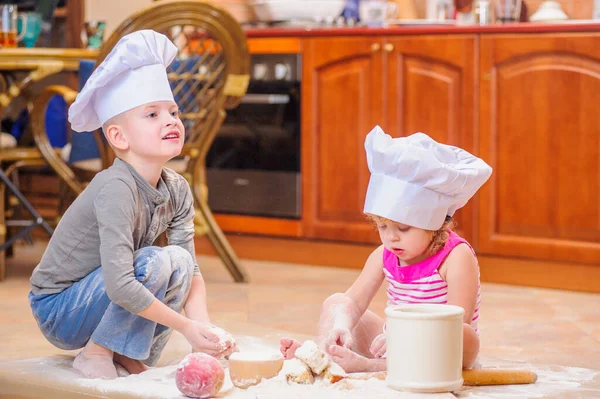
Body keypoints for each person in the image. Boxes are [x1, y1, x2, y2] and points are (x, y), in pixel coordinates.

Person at [28, 30, 236, 379]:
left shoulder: (177, 188)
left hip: (103, 297)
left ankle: (123, 355)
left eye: (172, 112)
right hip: (59, 309)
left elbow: (192, 271)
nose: (171, 120)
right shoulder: (115, 188)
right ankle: (96, 352)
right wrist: (185, 327)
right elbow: (120, 284)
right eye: (152, 115)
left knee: (179, 261)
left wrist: (205, 331)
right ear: (118, 137)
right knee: (154, 261)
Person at [281, 126, 492, 373]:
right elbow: (353, 301)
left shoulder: (456, 257)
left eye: (403, 228)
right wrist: (342, 325)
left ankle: (372, 367)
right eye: (382, 226)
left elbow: (455, 322)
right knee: (338, 303)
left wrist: (402, 334)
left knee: (463, 334)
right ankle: (323, 358)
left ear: (434, 223)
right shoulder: (385, 253)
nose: (391, 238)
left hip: (440, 349)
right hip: (394, 342)